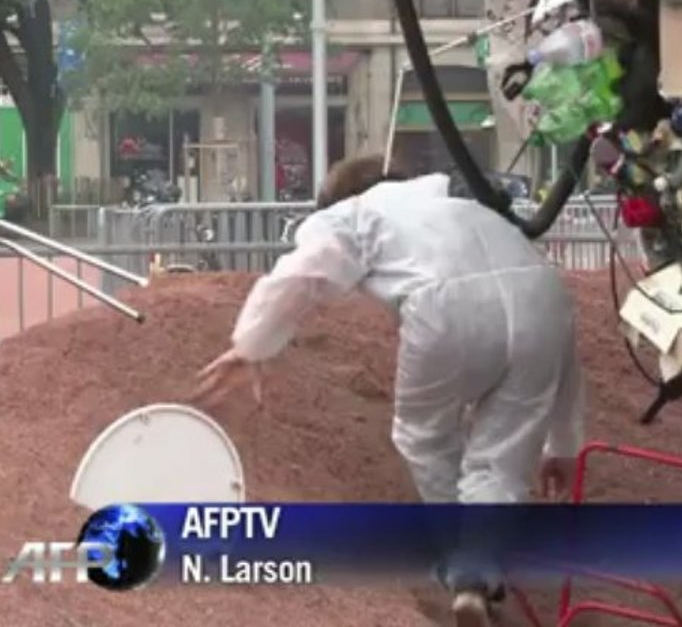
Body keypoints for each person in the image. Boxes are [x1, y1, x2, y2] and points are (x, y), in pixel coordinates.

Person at [196, 154, 586, 627]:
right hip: (543, 296)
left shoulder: (353, 213)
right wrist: (564, 444)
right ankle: (477, 571)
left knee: (423, 433)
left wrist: (251, 345)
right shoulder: (464, 209)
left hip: (443, 303)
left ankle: (461, 563)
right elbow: (564, 345)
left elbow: (302, 274)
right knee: (504, 455)